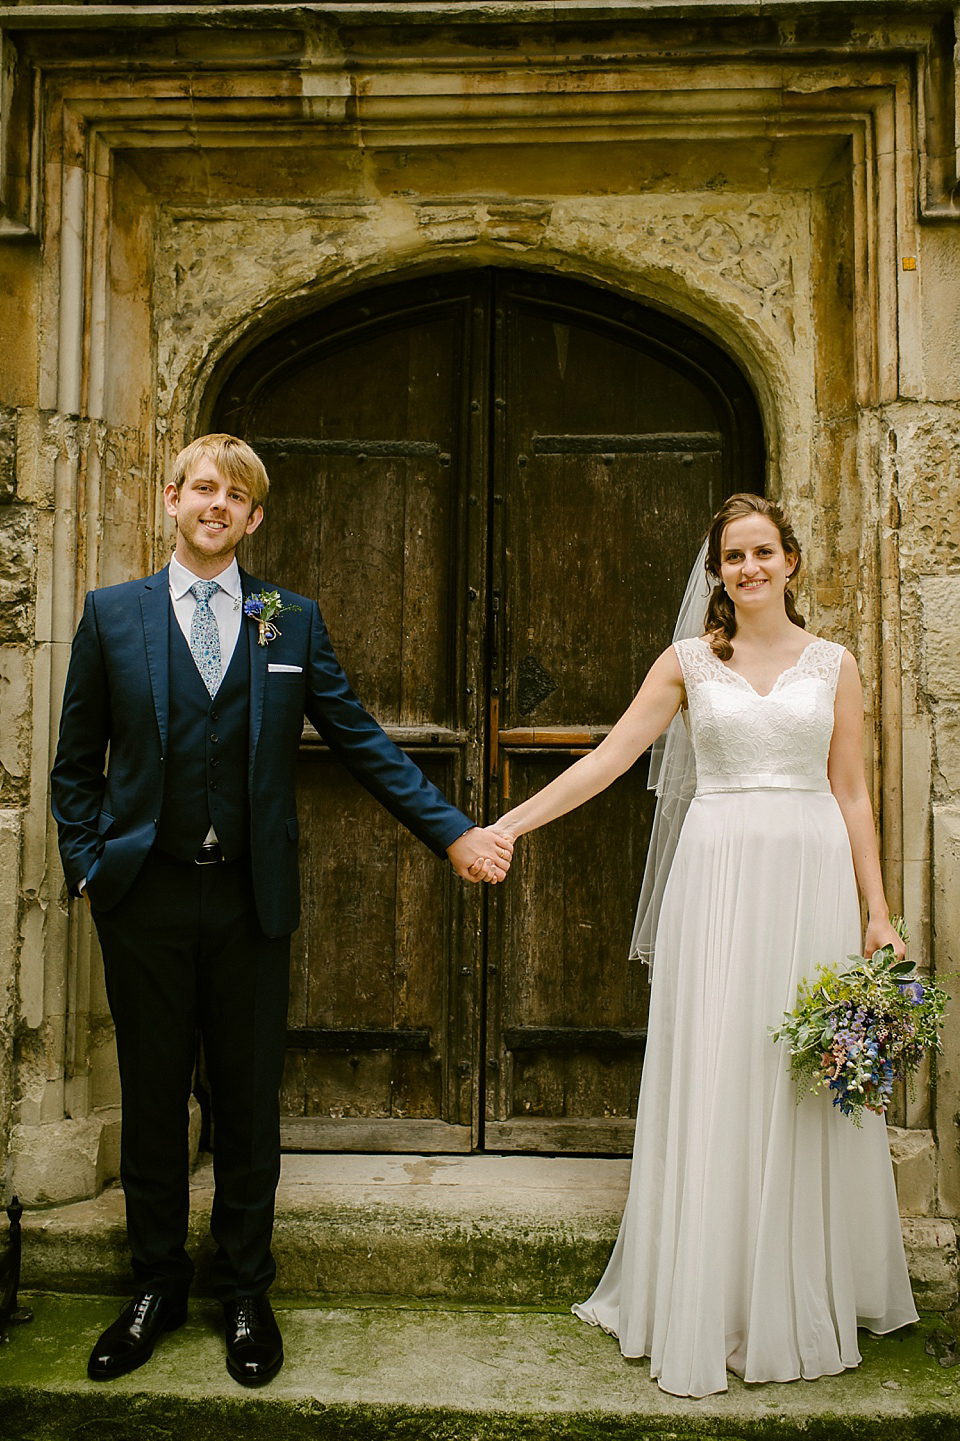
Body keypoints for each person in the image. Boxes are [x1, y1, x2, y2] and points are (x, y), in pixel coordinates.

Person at [51, 434, 514, 1387]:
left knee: (250, 1098)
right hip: (144, 896)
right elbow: (73, 766)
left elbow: (363, 744)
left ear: (254, 519)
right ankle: (155, 1284)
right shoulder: (111, 616)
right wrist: (92, 867)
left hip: (252, 901)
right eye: (203, 489)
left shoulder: (287, 621)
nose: (218, 505)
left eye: (238, 496)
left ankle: (246, 1290)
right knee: (149, 1097)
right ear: (171, 499)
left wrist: (454, 832)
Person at [479, 492, 917, 1397]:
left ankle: (791, 1293)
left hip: (810, 881)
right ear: (717, 573)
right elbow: (606, 759)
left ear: (791, 561)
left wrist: (878, 910)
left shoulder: (837, 665)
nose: (749, 569)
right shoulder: (686, 663)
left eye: (763, 552)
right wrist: (510, 824)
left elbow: (854, 793)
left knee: (800, 1081)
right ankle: (709, 1297)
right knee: (721, 1073)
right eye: (733, 558)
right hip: (715, 880)